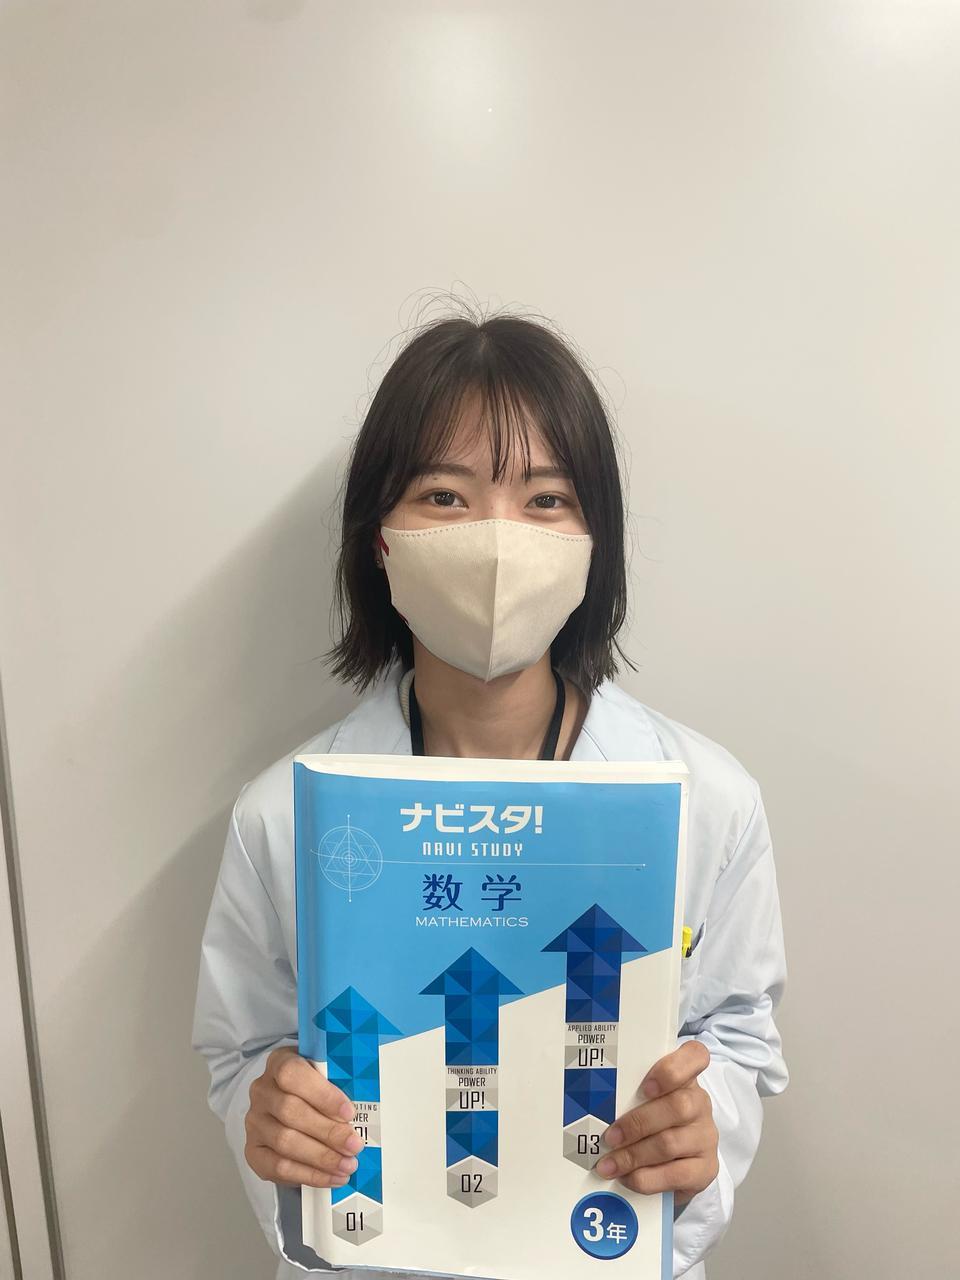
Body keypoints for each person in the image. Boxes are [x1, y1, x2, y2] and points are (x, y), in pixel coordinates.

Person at [191, 310, 788, 1280]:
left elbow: (737, 1033)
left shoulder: (708, 801)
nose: (499, 542)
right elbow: (243, 1047)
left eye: (546, 499)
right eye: (444, 495)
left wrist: (699, 1125)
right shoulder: (287, 815)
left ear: (594, 541)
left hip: (602, 1238)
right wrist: (275, 1116)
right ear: (380, 540)